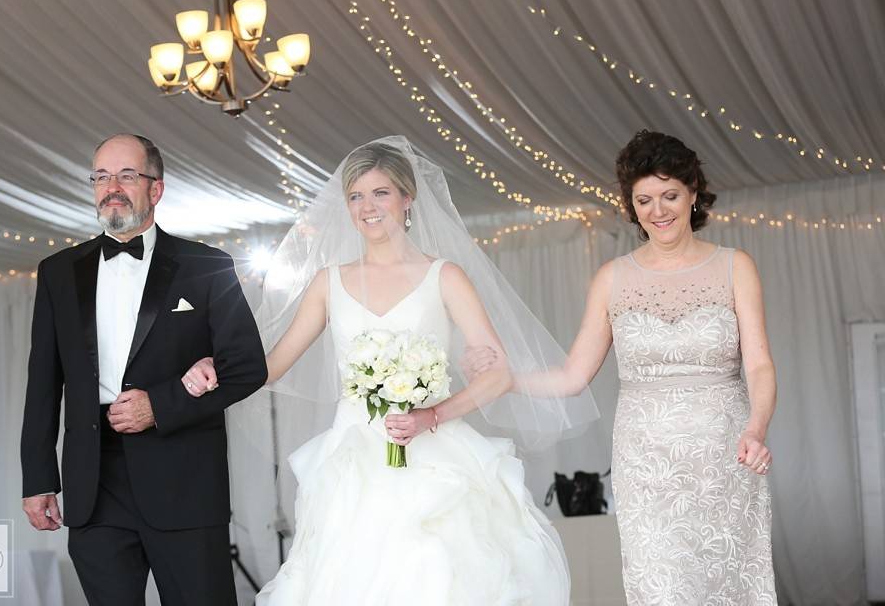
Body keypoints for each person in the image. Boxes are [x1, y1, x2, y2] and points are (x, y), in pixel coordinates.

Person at [182, 137, 600, 605]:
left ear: (407, 199)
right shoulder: (329, 282)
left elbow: (498, 374)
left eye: (380, 192)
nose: (367, 206)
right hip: (354, 461)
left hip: (436, 457)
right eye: (356, 196)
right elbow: (270, 365)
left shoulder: (445, 275)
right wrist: (215, 365)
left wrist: (431, 416)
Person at [468, 129, 777, 604]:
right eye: (645, 199)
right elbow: (573, 375)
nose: (659, 210)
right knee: (663, 590)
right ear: (632, 206)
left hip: (725, 457)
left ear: (693, 194)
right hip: (646, 464)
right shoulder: (612, 279)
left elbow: (758, 365)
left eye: (670, 194)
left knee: (729, 586)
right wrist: (509, 379)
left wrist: (756, 428)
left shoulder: (737, 267)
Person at [20, 134, 267, 604]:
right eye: (101, 177)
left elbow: (247, 366)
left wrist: (160, 405)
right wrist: (38, 479)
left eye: (127, 175)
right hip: (93, 485)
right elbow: (43, 384)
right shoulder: (57, 271)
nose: (112, 187)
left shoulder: (206, 266)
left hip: (185, 481)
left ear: (156, 189)